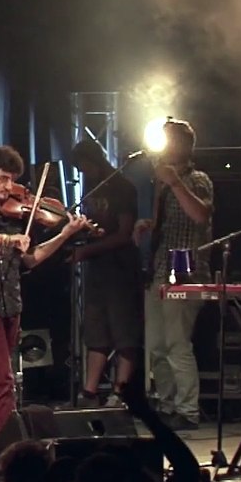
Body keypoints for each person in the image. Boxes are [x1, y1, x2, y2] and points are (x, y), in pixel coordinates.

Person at [0, 145, 89, 460]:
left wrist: (65, 233)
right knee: (2, 379)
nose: (9, 188)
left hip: (11, 303)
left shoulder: (12, 215)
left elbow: (33, 258)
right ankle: (13, 449)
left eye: (12, 181)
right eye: (3, 179)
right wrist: (2, 239)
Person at [133, 119, 213, 431]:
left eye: (168, 141)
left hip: (186, 271)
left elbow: (201, 214)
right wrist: (147, 224)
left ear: (182, 145)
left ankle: (188, 409)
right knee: (155, 345)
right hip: (159, 269)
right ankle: (165, 404)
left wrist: (176, 183)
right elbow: (165, 221)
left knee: (178, 343)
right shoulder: (161, 183)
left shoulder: (198, 179)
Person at [68, 140, 143, 405]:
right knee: (96, 331)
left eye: (85, 165)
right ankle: (89, 392)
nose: (84, 171)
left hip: (120, 268)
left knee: (124, 331)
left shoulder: (122, 187)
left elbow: (124, 234)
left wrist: (88, 251)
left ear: (96, 159)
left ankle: (121, 392)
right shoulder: (90, 187)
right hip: (97, 269)